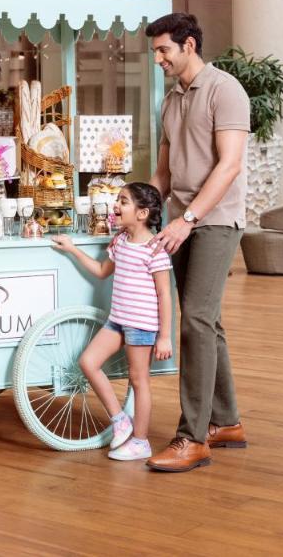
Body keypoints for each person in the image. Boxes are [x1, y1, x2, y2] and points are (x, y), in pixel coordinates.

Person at [144, 13, 250, 473]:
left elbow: (229, 165)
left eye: (163, 50)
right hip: (181, 221)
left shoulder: (225, 90)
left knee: (196, 321)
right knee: (205, 320)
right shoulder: (170, 100)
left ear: (189, 45)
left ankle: (192, 437)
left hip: (215, 221)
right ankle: (226, 423)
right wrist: (141, 211)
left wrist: (187, 220)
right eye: (155, 52)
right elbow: (163, 172)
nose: (158, 59)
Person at [53, 183, 173, 462]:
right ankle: (120, 420)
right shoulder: (120, 242)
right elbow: (101, 271)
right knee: (88, 362)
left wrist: (165, 336)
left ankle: (141, 442)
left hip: (141, 325)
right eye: (118, 200)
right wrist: (72, 249)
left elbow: (164, 294)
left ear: (142, 213)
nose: (115, 205)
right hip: (118, 320)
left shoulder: (155, 250)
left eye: (123, 201)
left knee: (139, 381)